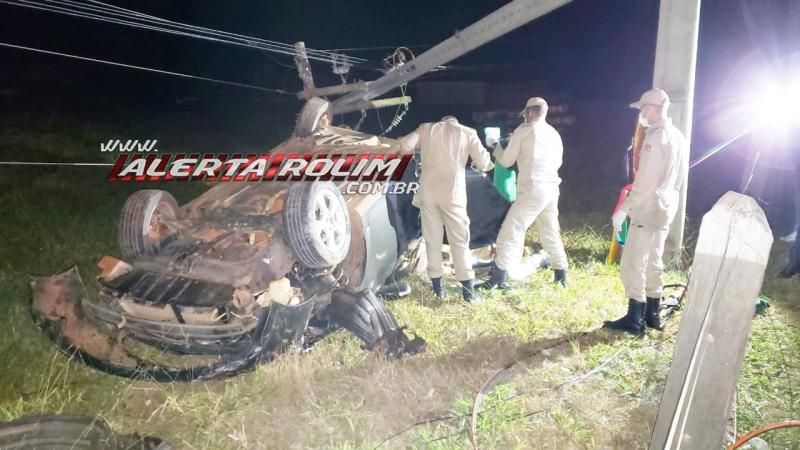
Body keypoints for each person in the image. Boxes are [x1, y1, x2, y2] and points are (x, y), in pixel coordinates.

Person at [604, 88, 688, 334]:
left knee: (633, 263)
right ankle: (653, 314)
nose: (642, 114)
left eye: (644, 109)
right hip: (665, 207)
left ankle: (635, 318)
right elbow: (679, 179)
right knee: (654, 260)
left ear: (653, 108)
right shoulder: (678, 136)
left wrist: (625, 209)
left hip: (648, 208)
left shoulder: (655, 138)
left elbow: (645, 183)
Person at [400, 116, 494, 302]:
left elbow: (404, 145)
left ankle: (438, 290)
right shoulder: (467, 132)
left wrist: (419, 152)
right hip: (453, 194)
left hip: (428, 192)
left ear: (442, 121)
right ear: (455, 122)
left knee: (432, 240)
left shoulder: (426, 128)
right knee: (459, 241)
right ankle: (468, 292)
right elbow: (484, 163)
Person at [481, 97, 569, 290]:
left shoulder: (524, 131)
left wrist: (496, 147)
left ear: (529, 113)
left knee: (510, 230)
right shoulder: (554, 133)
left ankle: (497, 278)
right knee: (550, 232)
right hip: (551, 187)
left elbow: (506, 161)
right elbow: (558, 161)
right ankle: (561, 274)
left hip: (532, 188)